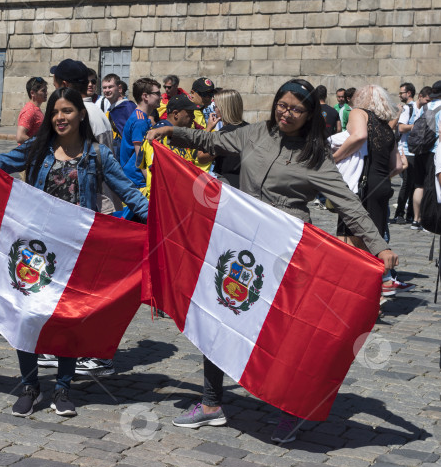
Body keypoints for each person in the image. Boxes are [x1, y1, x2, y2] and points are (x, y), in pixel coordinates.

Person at [147, 78, 397, 443]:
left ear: (309, 114)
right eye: (282, 105)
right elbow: (212, 142)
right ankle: (212, 402)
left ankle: (289, 410)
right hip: (241, 242)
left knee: (285, 331)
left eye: (296, 109)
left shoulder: (316, 157)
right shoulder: (254, 134)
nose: (287, 113)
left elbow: (348, 204)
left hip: (285, 252)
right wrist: (174, 131)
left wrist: (379, 247)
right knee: (220, 315)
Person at [0, 87, 149, 417]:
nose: (59, 117)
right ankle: (28, 385)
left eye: (66, 111)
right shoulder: (38, 150)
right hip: (34, 249)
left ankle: (63, 388)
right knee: (26, 314)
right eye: (55, 112)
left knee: (69, 318)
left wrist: (158, 220)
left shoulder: (97, 156)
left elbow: (130, 193)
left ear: (81, 114)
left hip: (75, 252)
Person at [332, 85, 406, 296]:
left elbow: (359, 136)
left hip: (363, 187)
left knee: (350, 241)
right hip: (382, 186)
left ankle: (356, 292)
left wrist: (334, 159)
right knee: (373, 240)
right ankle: (375, 290)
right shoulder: (386, 126)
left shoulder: (359, 113)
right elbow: (398, 166)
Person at [138, 95, 200, 197]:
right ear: (176, 114)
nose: (193, 117)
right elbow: (157, 173)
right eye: (190, 113)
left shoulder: (180, 135)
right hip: (163, 201)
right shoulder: (157, 136)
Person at [120, 78, 162, 188]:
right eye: (157, 93)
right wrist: (150, 182)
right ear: (145, 96)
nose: (161, 96)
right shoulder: (140, 121)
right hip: (137, 180)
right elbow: (141, 156)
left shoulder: (141, 117)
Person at [210, 89, 248, 188]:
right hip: (246, 185)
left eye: (216, 106)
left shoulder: (224, 133)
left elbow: (202, 157)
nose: (215, 110)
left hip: (227, 185)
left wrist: (208, 129)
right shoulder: (250, 128)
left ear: (224, 109)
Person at [394, 83, 419, 224]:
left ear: (409, 93)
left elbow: (402, 128)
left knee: (410, 183)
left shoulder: (409, 108)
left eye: (401, 92)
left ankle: (403, 214)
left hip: (408, 150)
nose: (399, 95)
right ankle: (403, 213)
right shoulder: (413, 108)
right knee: (409, 183)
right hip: (409, 150)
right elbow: (402, 128)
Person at [101, 73, 136, 156]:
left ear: (119, 88)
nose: (107, 90)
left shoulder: (127, 107)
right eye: (104, 88)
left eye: (110, 87)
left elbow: (132, 135)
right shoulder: (112, 108)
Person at [16, 76, 47, 144]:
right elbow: (20, 137)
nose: (46, 93)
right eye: (43, 91)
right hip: (29, 153)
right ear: (32, 93)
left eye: (46, 90)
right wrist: (39, 143)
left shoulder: (35, 109)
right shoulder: (30, 111)